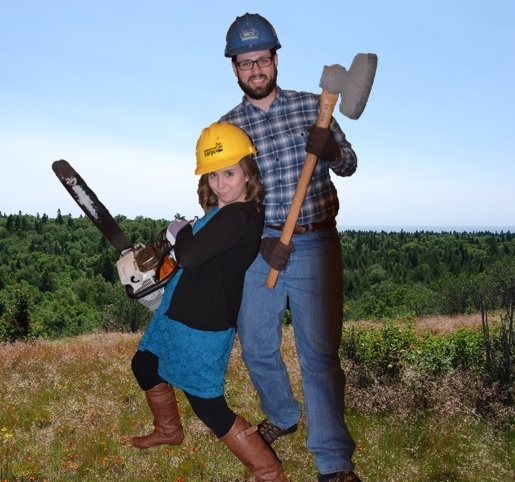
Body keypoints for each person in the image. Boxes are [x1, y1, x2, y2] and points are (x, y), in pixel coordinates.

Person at [219, 13, 361, 482]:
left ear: (275, 61)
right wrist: (260, 242)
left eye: (263, 60)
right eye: (245, 63)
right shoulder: (228, 130)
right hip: (259, 249)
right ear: (234, 69)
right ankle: (282, 414)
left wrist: (333, 148)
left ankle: (333, 461)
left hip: (316, 241)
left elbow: (350, 164)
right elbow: (221, 199)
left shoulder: (313, 106)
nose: (255, 70)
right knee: (257, 345)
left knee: (318, 354)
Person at [130, 121, 288, 482]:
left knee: (207, 403)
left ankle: (269, 473)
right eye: (213, 176)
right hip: (182, 312)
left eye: (229, 173)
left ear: (248, 173)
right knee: (145, 364)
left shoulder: (238, 215)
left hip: (201, 323)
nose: (221, 184)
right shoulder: (228, 210)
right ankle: (169, 431)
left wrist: (180, 230)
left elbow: (189, 256)